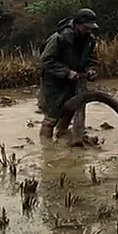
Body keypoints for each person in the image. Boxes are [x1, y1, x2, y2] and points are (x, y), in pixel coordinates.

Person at [38, 8, 99, 139]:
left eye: (91, 28)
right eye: (86, 27)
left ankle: (62, 137)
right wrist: (66, 72)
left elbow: (91, 59)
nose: (89, 30)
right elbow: (46, 59)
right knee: (51, 116)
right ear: (77, 24)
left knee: (69, 110)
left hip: (74, 80)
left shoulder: (90, 40)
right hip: (54, 82)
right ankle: (46, 147)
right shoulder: (59, 38)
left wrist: (91, 69)